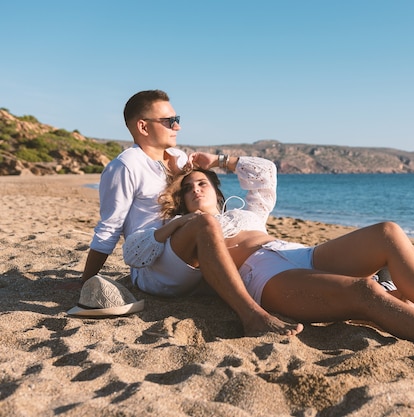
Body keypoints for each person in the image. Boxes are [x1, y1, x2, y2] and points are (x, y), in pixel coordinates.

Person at [128, 154, 414, 359]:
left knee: (388, 232)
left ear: (217, 192)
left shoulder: (245, 213)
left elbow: (266, 172)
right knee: (363, 293)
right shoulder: (187, 230)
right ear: (180, 199)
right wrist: (175, 224)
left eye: (203, 184)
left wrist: (218, 160)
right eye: (188, 187)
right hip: (263, 276)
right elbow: (138, 252)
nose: (196, 188)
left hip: (302, 253)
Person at [81, 89, 302, 336]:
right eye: (169, 121)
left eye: (178, 119)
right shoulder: (125, 166)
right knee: (205, 223)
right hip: (153, 264)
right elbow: (109, 228)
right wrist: (86, 280)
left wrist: (213, 162)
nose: (177, 127)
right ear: (143, 127)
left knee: (221, 230)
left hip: (189, 251)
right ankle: (251, 315)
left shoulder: (176, 156)